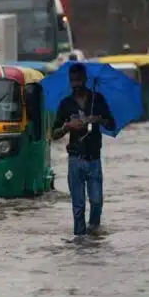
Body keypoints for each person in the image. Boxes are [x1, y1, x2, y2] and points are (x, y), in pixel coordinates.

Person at [51, 63, 116, 237]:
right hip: (75, 159)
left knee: (96, 202)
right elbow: (54, 134)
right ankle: (80, 243)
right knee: (78, 207)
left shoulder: (98, 100)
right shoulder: (65, 104)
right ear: (70, 81)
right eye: (73, 80)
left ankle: (94, 233)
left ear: (85, 79)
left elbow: (112, 124)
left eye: (79, 79)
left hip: (94, 158)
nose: (76, 83)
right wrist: (67, 126)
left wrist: (99, 119)